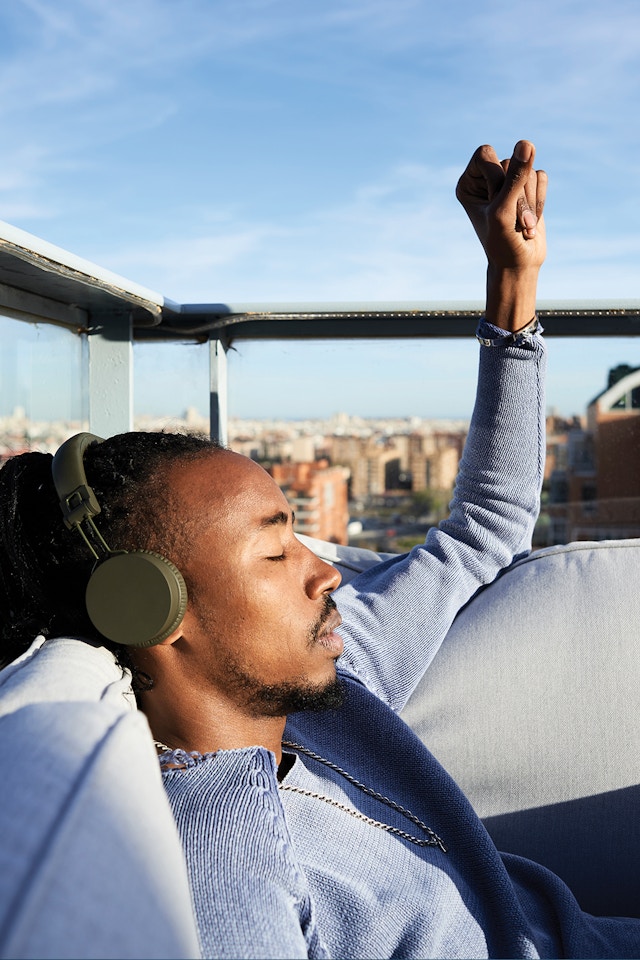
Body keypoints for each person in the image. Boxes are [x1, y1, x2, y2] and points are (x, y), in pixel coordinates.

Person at [1, 139, 638, 960]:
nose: (327, 571)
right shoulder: (219, 870)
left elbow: (487, 523)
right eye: (275, 554)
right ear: (149, 607)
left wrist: (512, 282)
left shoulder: (324, 691)